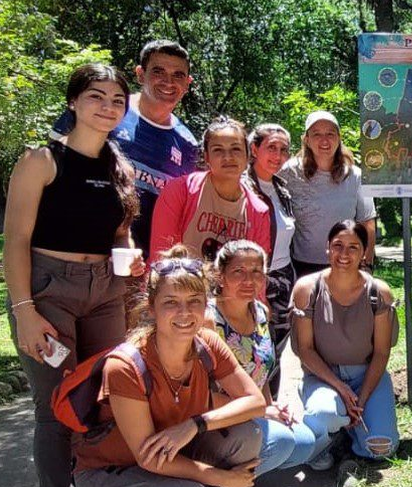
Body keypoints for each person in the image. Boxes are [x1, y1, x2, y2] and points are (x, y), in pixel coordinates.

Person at [4, 63, 145, 487]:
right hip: (48, 289)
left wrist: (132, 283)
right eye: (95, 96)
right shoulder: (41, 161)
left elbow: (121, 236)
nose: (107, 107)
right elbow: (16, 242)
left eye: (116, 99)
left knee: (105, 397)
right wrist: (24, 312)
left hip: (105, 290)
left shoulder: (118, 167)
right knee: (56, 405)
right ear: (73, 102)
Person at [73, 248, 279, 487]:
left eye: (194, 300)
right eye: (171, 302)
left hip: (172, 448)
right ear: (151, 308)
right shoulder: (125, 366)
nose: (185, 313)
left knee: (246, 434)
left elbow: (254, 402)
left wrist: (195, 424)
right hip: (111, 471)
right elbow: (149, 458)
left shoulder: (207, 343)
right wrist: (221, 478)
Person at [54, 39, 198, 250]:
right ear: (140, 74)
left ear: (187, 83)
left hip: (144, 262)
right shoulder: (105, 109)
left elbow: (180, 209)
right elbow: (53, 166)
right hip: (80, 250)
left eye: (178, 75)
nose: (168, 82)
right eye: (158, 71)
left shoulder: (188, 143)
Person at [292, 220, 399, 468]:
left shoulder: (379, 292)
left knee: (380, 448)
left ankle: (344, 431)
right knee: (325, 414)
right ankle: (326, 419)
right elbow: (305, 349)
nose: (344, 254)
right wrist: (340, 387)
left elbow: (382, 352)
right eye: (338, 245)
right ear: (327, 249)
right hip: (324, 376)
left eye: (353, 247)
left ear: (364, 252)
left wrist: (360, 399)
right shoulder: (307, 289)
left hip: (366, 376)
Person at [207, 240, 318, 476]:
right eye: (239, 271)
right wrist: (260, 411)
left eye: (256, 271)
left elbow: (260, 368)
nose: (249, 280)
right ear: (221, 276)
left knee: (305, 443)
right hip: (215, 419)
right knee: (281, 442)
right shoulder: (208, 320)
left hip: (252, 411)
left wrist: (269, 405)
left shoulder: (260, 311)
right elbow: (201, 393)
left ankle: (246, 482)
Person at [149, 116, 272, 264]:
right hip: (181, 284)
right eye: (218, 150)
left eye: (236, 149)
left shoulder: (259, 212)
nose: (228, 157)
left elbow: (256, 271)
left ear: (247, 156)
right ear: (207, 157)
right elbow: (161, 259)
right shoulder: (180, 191)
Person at [281, 110, 377, 278]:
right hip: (302, 266)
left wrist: (366, 263)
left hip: (346, 265)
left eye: (330, 133)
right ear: (306, 140)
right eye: (316, 134)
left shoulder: (355, 176)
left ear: (339, 138)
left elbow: (367, 222)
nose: (324, 140)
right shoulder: (290, 173)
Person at [245, 123, 297, 395]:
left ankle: (271, 405)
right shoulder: (242, 187)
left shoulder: (282, 189)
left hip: (283, 280)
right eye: (271, 148)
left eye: (283, 150)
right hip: (254, 281)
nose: (278, 155)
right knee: (255, 349)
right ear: (254, 149)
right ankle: (253, 411)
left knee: (275, 350)